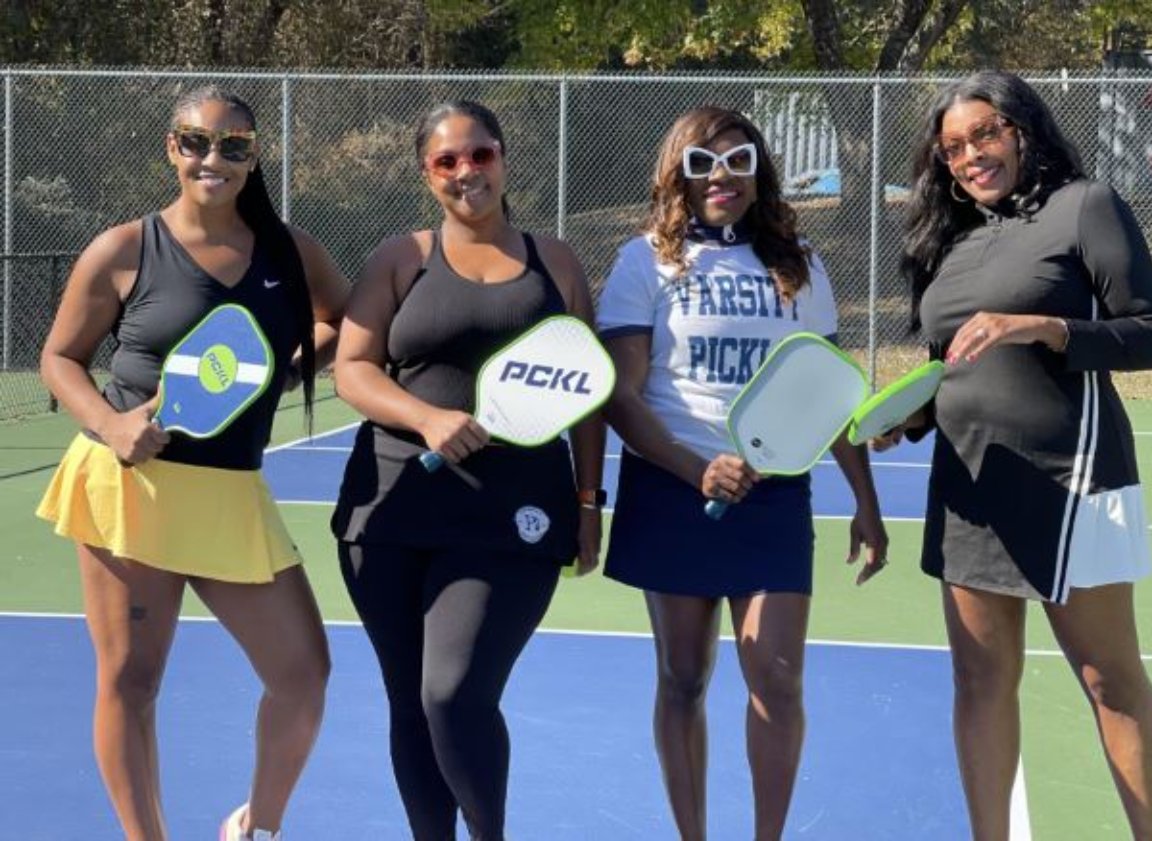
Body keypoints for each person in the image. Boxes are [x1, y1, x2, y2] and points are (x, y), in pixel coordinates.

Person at [36, 86, 349, 841]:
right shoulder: (123, 247)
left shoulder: (290, 249)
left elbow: (337, 318)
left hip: (230, 493)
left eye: (235, 145)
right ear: (172, 149)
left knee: (303, 674)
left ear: (253, 157)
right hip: (130, 487)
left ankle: (257, 827)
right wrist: (110, 425)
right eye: (198, 142)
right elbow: (60, 357)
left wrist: (272, 375)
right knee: (132, 680)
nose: (215, 158)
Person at [881, 70, 1152, 840]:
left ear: (1022, 130)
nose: (970, 156)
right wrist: (900, 418)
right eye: (952, 148)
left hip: (1073, 482)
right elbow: (949, 365)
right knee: (978, 680)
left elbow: (1150, 335)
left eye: (985, 135)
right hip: (970, 490)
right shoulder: (947, 239)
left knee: (1109, 680)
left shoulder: (1087, 207)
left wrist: (1043, 327)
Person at [596, 105, 888, 841]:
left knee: (778, 679)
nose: (720, 176)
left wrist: (866, 499)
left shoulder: (800, 265)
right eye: (701, 163)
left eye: (736, 160)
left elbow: (829, 390)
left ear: (760, 172)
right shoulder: (644, 263)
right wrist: (696, 470)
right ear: (678, 176)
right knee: (684, 678)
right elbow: (622, 398)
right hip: (672, 487)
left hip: (773, 492)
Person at [330, 100, 605, 841]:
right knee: (408, 702)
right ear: (427, 174)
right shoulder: (402, 257)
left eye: (479, 154)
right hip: (388, 512)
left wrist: (588, 501)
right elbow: (352, 369)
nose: (466, 172)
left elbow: (588, 391)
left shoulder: (557, 261)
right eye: (446, 161)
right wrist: (425, 418)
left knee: (452, 692)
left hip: (513, 516)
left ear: (504, 158)